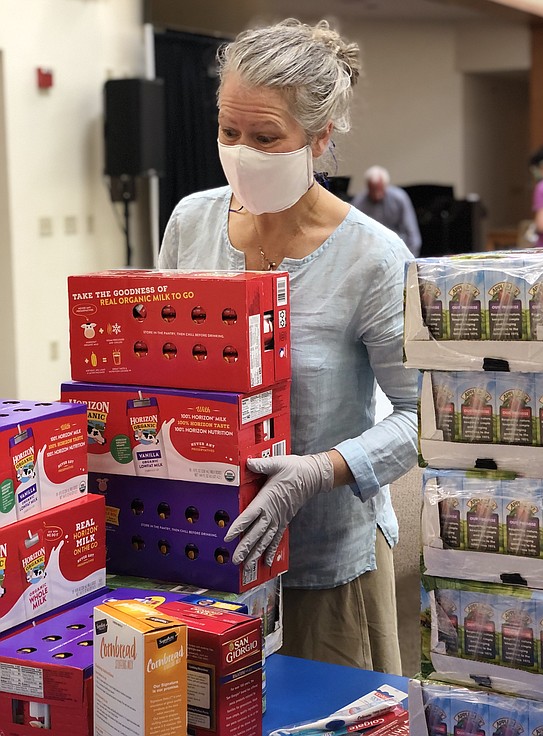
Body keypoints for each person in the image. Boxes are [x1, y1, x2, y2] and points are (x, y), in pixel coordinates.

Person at [157, 18, 418, 675]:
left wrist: (319, 470)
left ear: (320, 138)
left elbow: (426, 419)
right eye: (228, 132)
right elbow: (156, 363)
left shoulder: (372, 258)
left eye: (266, 137)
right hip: (204, 552)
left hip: (326, 568)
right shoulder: (192, 223)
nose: (241, 151)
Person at [352, 166, 423, 257]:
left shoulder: (399, 198)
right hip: (370, 253)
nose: (376, 195)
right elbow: (356, 234)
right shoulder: (359, 202)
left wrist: (411, 259)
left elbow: (411, 232)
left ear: (385, 185)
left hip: (398, 252)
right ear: (367, 186)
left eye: (379, 189)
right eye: (373, 190)